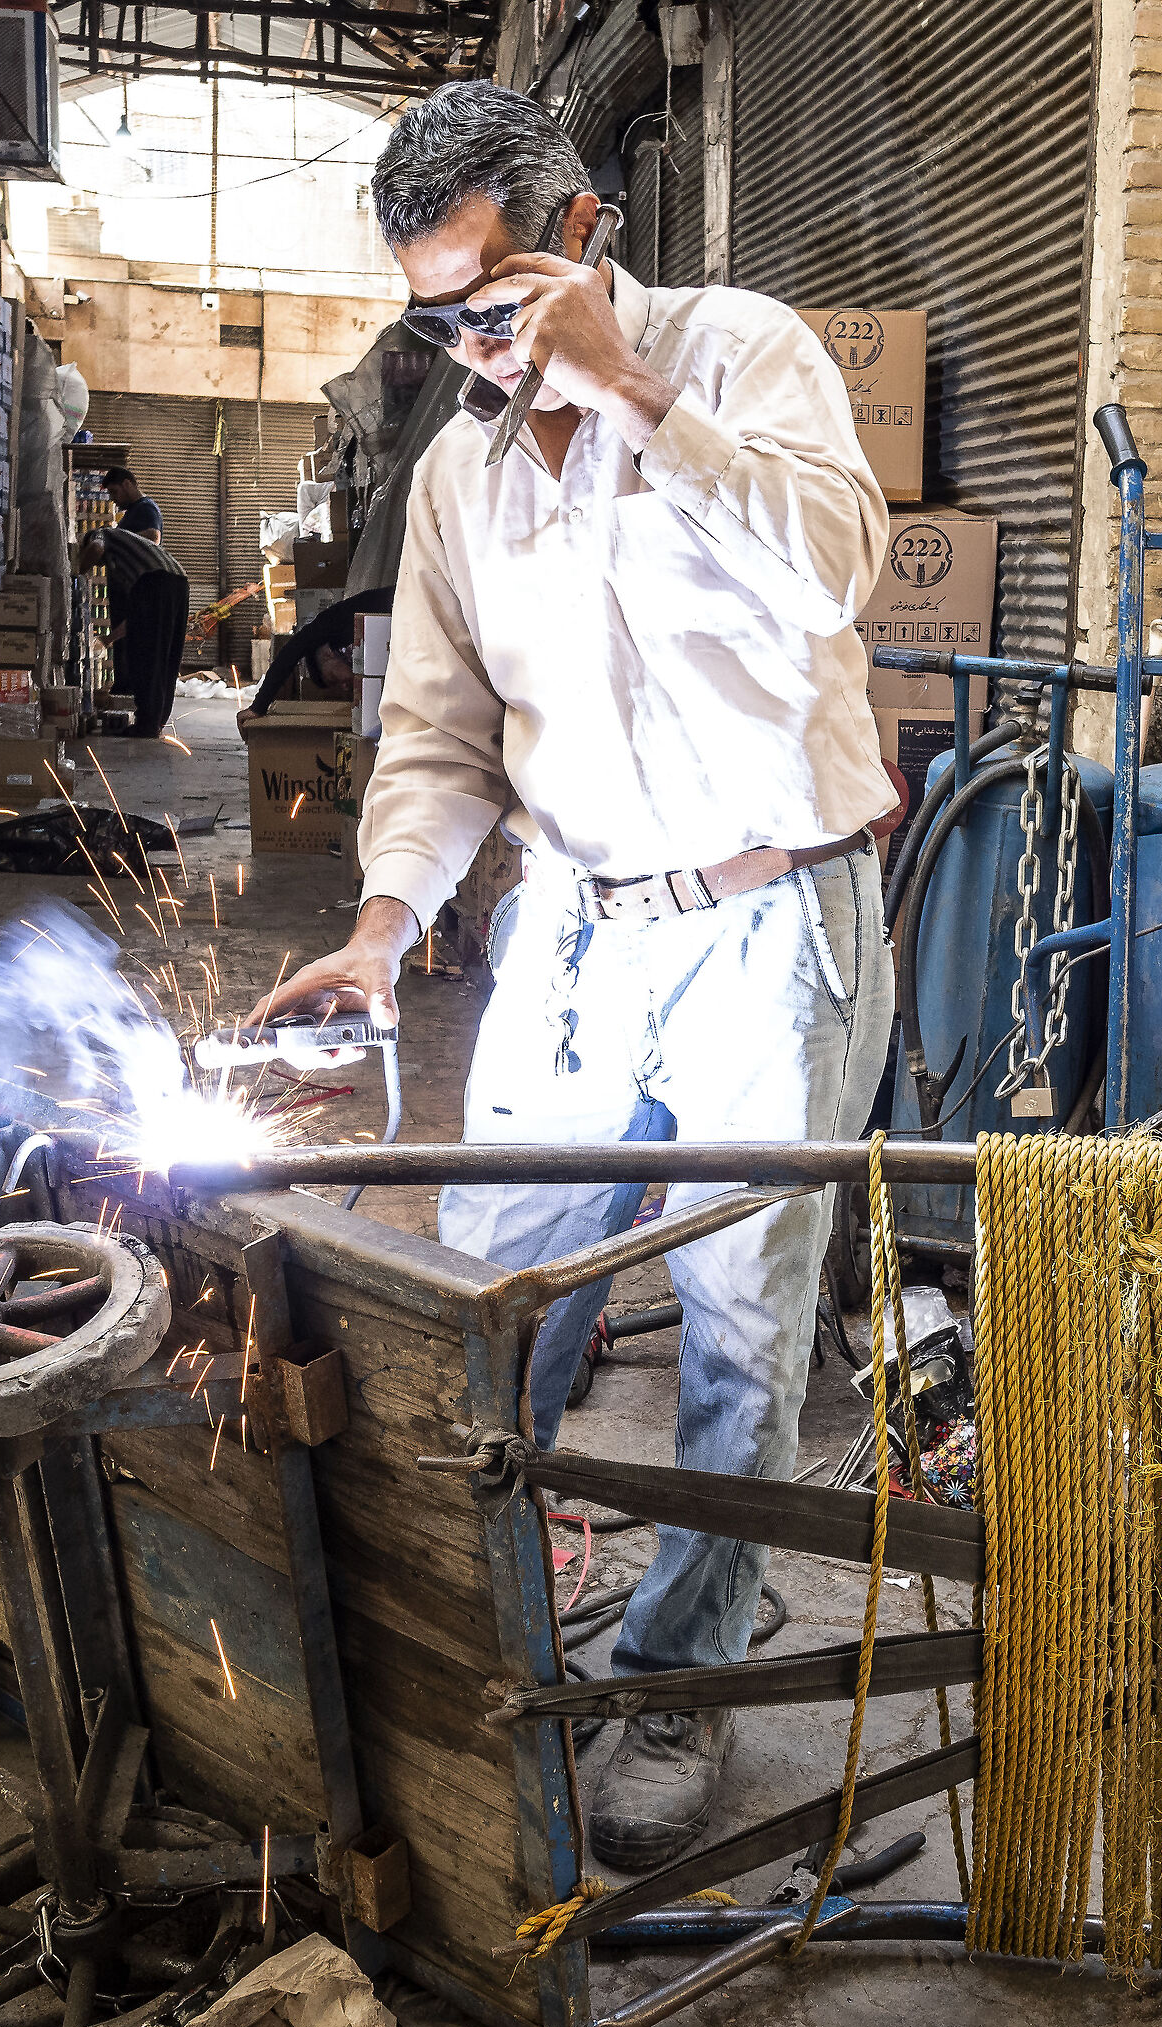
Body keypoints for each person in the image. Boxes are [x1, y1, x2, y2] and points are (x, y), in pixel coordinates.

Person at [249, 80, 896, 1872]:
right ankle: (487, 1619)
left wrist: (630, 385)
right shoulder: (460, 471)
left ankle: (681, 1680)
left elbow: (840, 571)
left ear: (586, 227)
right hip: (575, 925)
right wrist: (386, 926)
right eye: (435, 314)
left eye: (498, 295)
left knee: (742, 1325)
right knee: (493, 1294)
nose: (474, 343)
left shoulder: (745, 354)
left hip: (775, 925)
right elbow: (444, 736)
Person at [77, 525, 188, 738]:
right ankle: (157, 720)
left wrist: (76, 572)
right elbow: (134, 620)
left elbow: (97, 548)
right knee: (166, 654)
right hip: (179, 580)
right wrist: (108, 639)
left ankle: (147, 724)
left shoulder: (103, 533)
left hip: (156, 580)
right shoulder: (131, 551)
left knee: (145, 654)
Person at [249, 585, 395, 716]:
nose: (344, 687)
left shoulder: (330, 624)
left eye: (334, 678)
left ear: (327, 655)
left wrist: (257, 707)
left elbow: (290, 652)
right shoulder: (357, 658)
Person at [102, 466, 164, 542]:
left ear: (126, 484)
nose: (112, 498)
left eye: (114, 492)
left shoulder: (145, 507)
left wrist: (116, 537)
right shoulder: (133, 509)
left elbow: (154, 537)